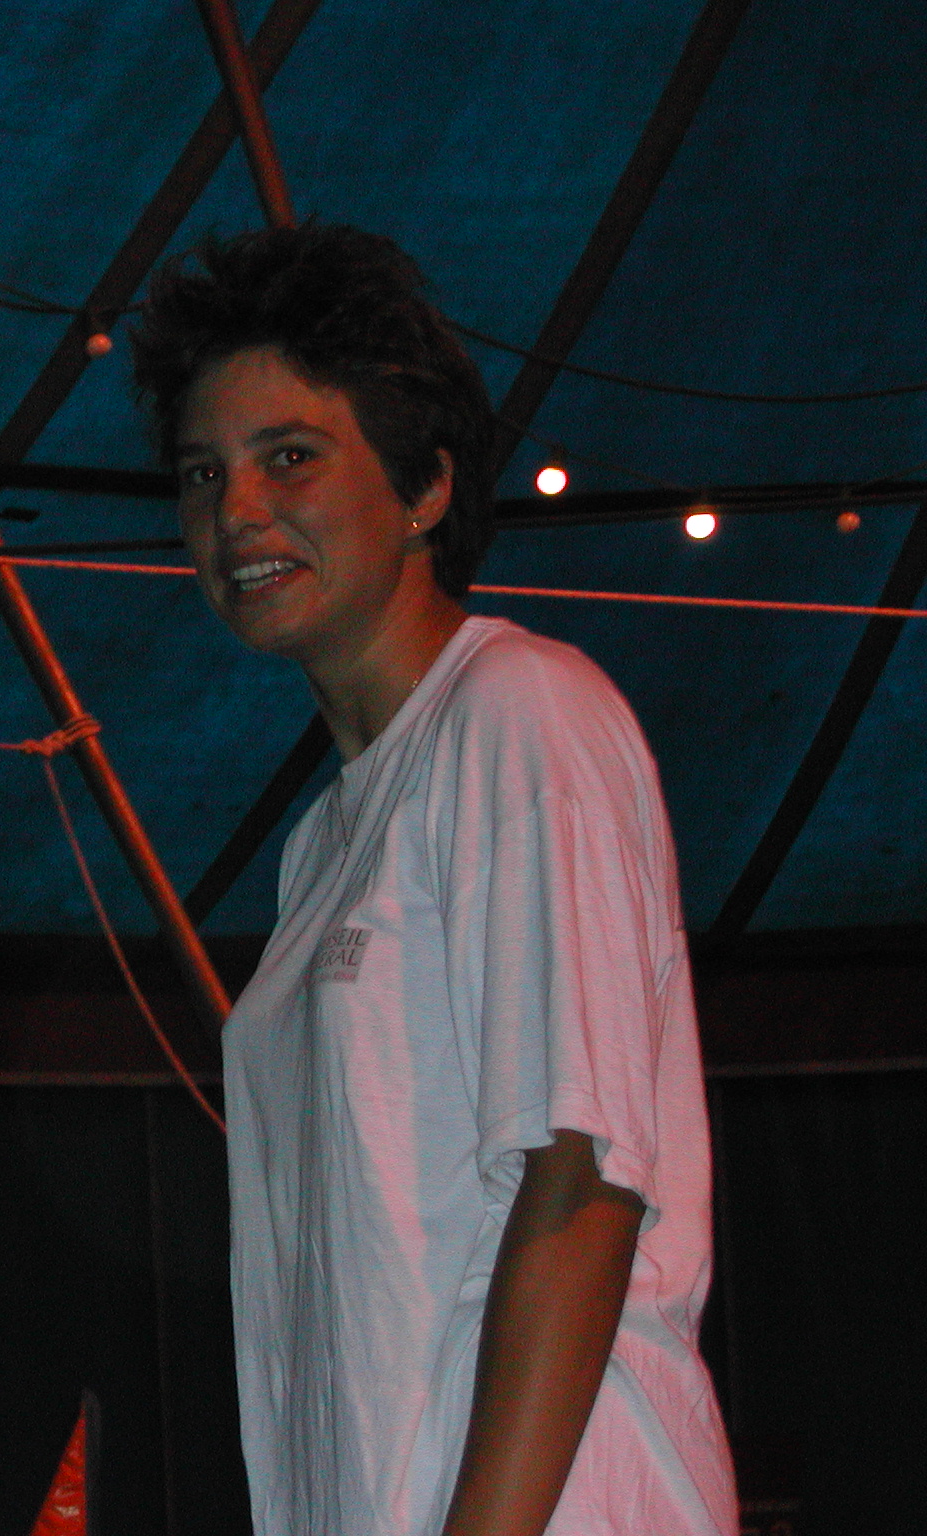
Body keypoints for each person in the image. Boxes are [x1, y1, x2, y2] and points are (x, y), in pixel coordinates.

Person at [132, 225, 735, 1536]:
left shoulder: (522, 715)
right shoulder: (325, 846)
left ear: (423, 489)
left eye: (290, 456)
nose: (237, 512)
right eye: (202, 473)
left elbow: (582, 1184)